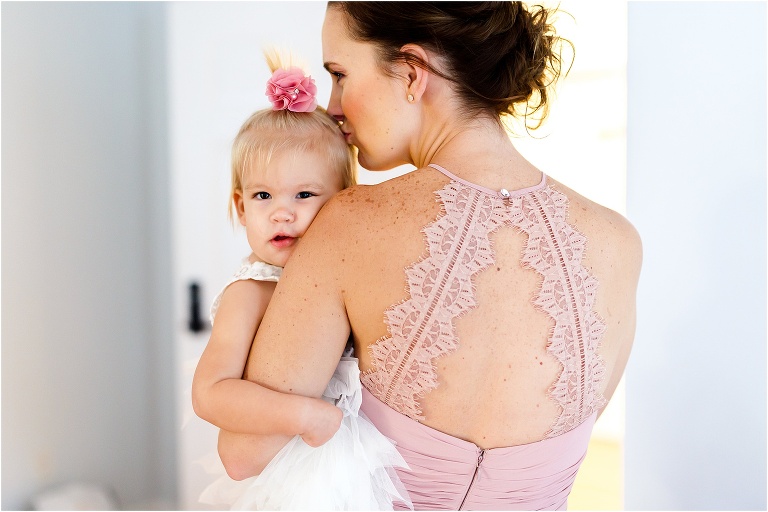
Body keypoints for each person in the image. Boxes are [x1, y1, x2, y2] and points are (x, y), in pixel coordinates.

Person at [218, 2, 642, 510]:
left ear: (412, 72)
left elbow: (242, 454)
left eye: (340, 75)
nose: (332, 106)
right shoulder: (620, 242)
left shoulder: (351, 224)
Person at [191, 54, 412, 510]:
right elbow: (210, 392)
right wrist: (305, 415)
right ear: (240, 206)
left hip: (352, 458)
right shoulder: (251, 290)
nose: (281, 211)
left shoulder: (342, 270)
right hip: (290, 472)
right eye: (263, 195)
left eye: (304, 194)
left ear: (342, 204)